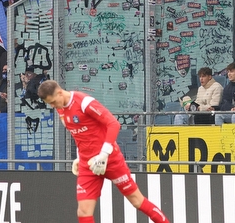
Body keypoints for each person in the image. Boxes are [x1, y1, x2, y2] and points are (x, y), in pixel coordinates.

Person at [38, 80, 170, 223]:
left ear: (59, 92)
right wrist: (79, 157)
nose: (52, 105)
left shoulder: (84, 102)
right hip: (87, 164)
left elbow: (113, 124)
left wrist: (103, 155)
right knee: (83, 211)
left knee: (137, 201)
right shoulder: (60, 108)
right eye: (49, 103)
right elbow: (78, 133)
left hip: (110, 159)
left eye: (52, 101)